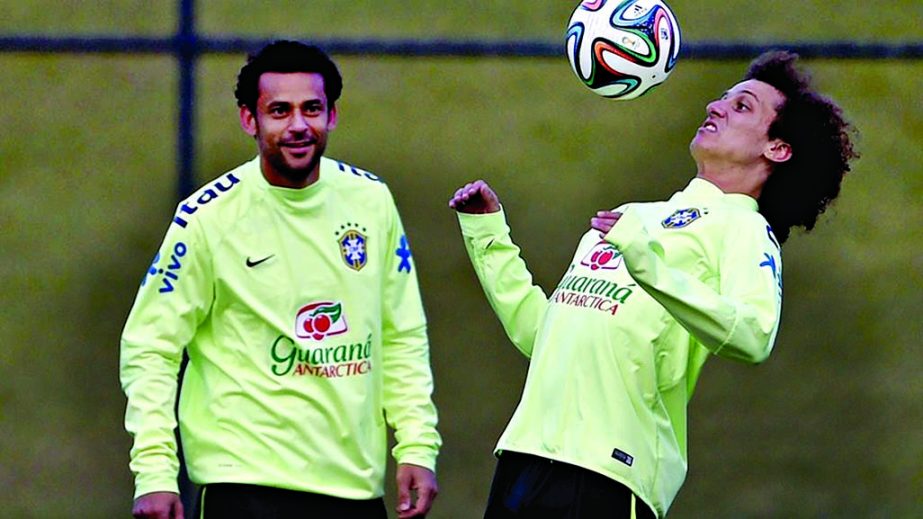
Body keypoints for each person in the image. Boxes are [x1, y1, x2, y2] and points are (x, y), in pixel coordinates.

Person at [449, 50, 857, 518]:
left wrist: (645, 260)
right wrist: (489, 237)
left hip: (609, 474)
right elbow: (541, 337)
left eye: (742, 106)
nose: (715, 107)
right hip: (523, 456)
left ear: (777, 148)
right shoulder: (635, 218)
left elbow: (754, 335)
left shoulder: (744, 230)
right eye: (722, 98)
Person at [121, 40, 441, 519]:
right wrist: (154, 471)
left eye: (311, 109)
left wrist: (417, 444)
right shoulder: (206, 218)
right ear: (250, 119)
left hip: (353, 487)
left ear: (332, 116)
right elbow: (151, 346)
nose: (297, 126)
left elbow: (401, 333)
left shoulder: (371, 201)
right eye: (279, 111)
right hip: (246, 486)